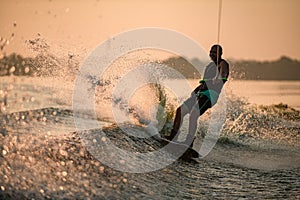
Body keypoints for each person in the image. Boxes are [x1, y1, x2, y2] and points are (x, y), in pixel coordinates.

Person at [165, 44, 229, 147]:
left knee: (194, 114)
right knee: (180, 111)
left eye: (215, 52)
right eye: (211, 52)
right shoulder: (209, 66)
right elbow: (203, 83)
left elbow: (223, 74)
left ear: (220, 54)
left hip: (210, 96)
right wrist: (195, 91)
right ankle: (173, 136)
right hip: (200, 93)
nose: (212, 54)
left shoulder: (223, 63)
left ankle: (189, 142)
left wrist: (219, 78)